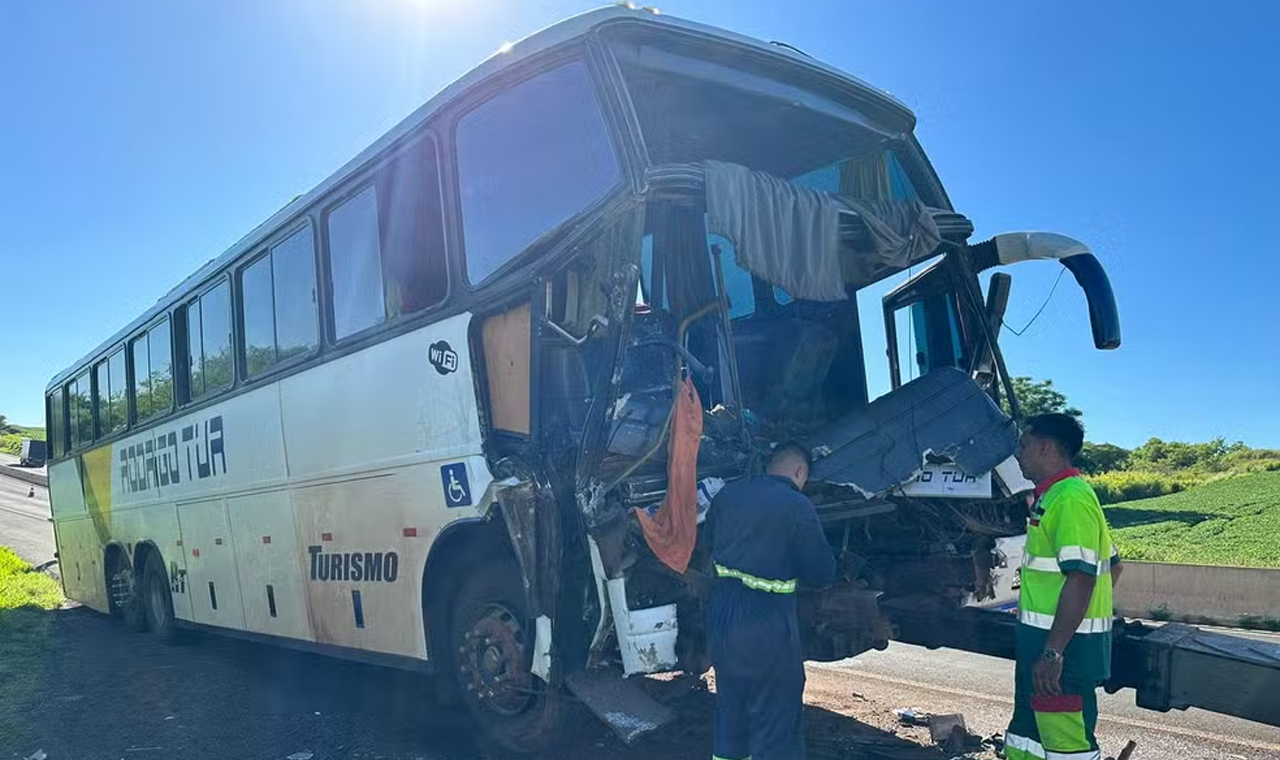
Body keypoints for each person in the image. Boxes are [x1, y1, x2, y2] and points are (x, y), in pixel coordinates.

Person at [705, 441, 836, 760]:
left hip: (722, 618)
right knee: (776, 721)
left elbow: (707, 543)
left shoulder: (728, 494)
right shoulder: (796, 504)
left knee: (731, 711)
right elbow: (821, 573)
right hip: (767, 625)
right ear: (800, 471)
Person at [1005, 413, 1122, 760]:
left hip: (1063, 653)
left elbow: (1082, 577)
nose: (1017, 454)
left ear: (1045, 448)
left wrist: (1054, 651)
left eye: (1023, 445)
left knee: (1065, 745)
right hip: (1050, 643)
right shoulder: (1055, 496)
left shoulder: (1070, 499)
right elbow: (1113, 567)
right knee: (1032, 737)